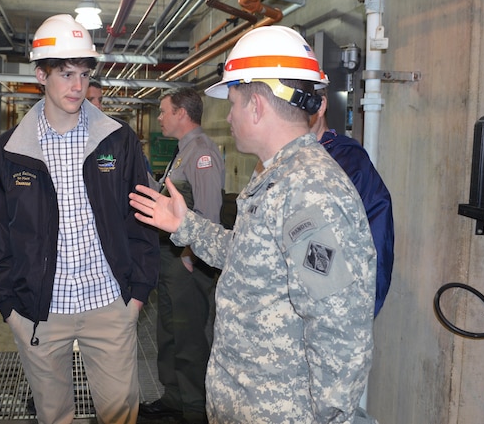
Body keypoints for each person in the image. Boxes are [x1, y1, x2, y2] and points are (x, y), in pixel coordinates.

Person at [129, 25, 376, 424]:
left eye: (233, 103)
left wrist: (329, 417)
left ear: (257, 105)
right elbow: (247, 256)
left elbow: (339, 327)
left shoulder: (310, 190)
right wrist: (186, 225)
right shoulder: (276, 176)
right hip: (246, 403)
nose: (227, 116)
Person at [0, 14, 159, 424]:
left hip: (108, 303)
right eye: (65, 74)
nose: (77, 86)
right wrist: (8, 305)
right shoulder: (11, 150)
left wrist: (136, 294)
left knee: (120, 414)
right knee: (54, 415)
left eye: (83, 74)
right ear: (40, 75)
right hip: (40, 309)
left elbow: (141, 220)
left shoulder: (117, 140)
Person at [139, 88, 224, 424]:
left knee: (190, 340)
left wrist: (190, 256)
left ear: (182, 114)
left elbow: (209, 215)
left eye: (163, 111)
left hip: (189, 262)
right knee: (170, 332)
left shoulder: (201, 153)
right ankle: (175, 398)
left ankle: (194, 411)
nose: (159, 118)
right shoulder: (183, 152)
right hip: (172, 257)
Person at [310, 85, 394, 317]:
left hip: (330, 315)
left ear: (320, 105)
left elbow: (377, 240)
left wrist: (360, 314)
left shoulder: (348, 162)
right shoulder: (278, 161)